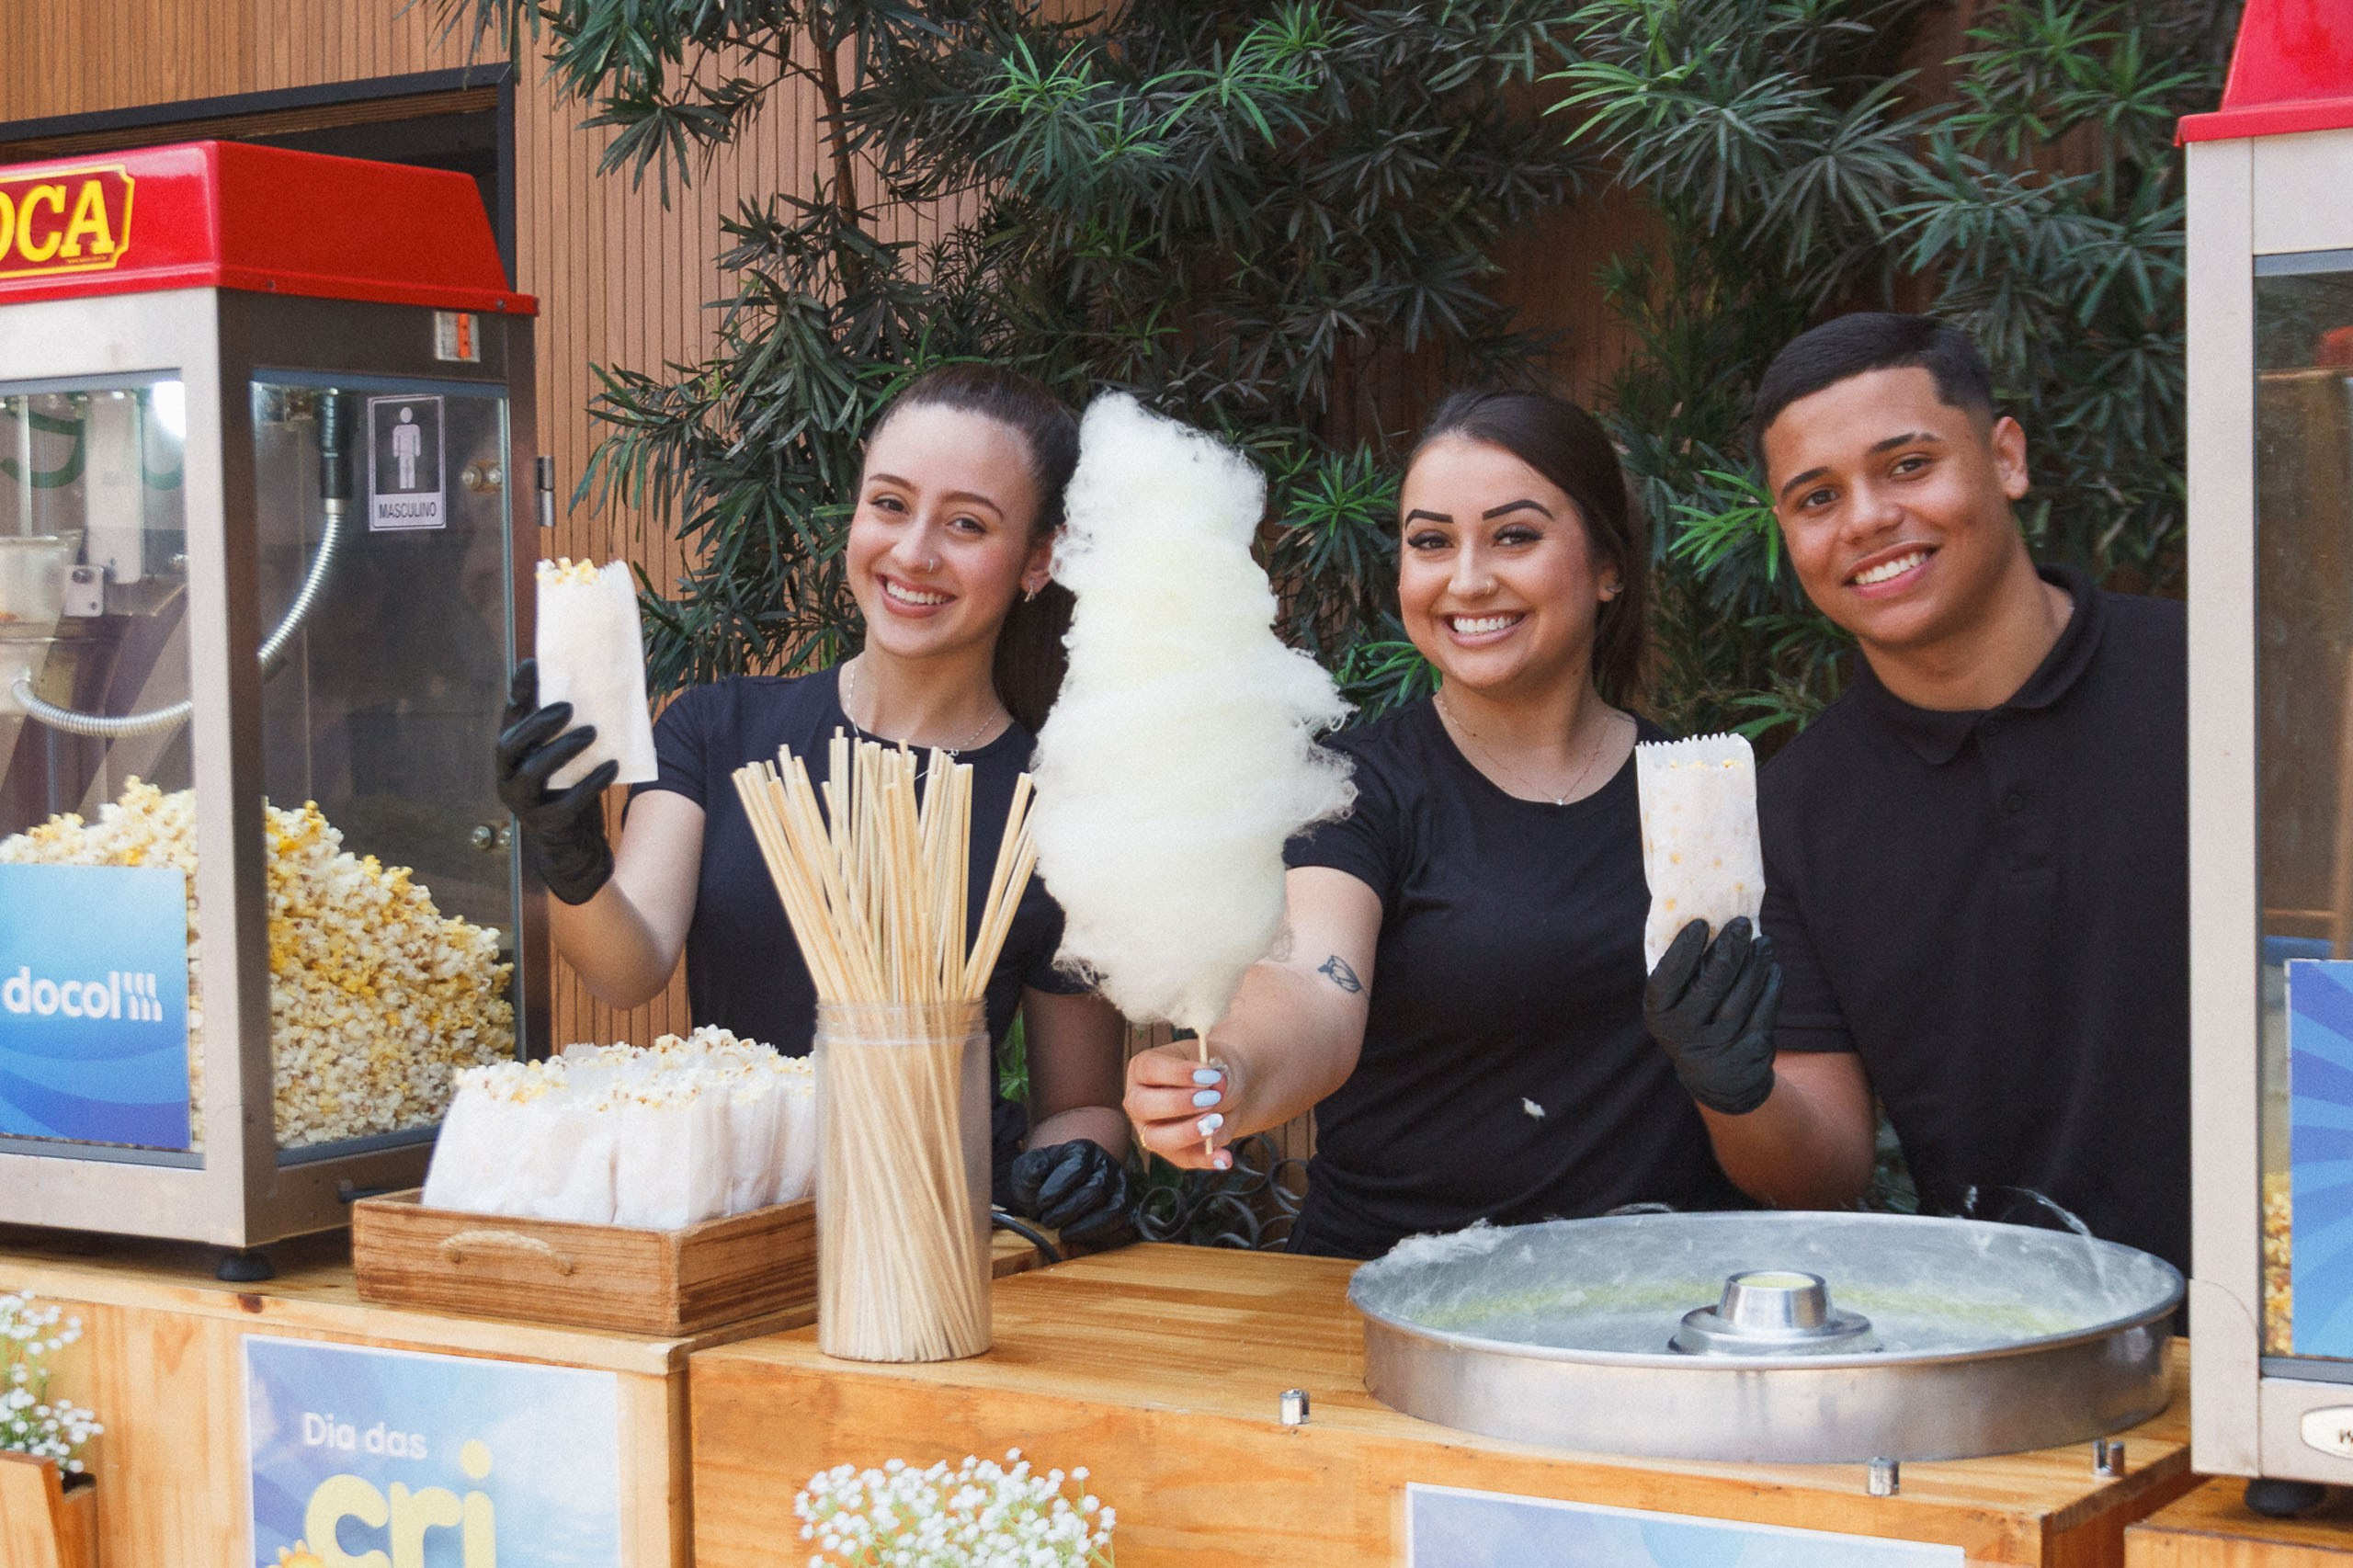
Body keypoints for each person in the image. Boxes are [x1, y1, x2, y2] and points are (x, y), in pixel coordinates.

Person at [496, 366, 1135, 1245]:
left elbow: (1084, 1106)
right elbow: (624, 967)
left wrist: (1077, 1167)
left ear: (1037, 561)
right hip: (734, 1229)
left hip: (932, 1246)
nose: (914, 553)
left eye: (966, 525)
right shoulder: (721, 729)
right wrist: (564, 851)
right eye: (890, 504)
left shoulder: (1062, 807)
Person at [1123, 390, 1746, 1258]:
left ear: (1609, 565)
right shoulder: (1356, 786)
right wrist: (1227, 1072)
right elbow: (1312, 984)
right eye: (1430, 542)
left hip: (1644, 1307)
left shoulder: (1700, 787)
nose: (1466, 578)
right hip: (1390, 1295)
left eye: (1515, 535)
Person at [1643, 312, 2189, 1273]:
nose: (1864, 519)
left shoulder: (2223, 680)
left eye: (1906, 465)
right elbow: (1822, 1175)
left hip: (2303, 1315)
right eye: (1816, 497)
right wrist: (1731, 1083)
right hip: (2018, 1343)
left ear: (2006, 457)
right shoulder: (1794, 811)